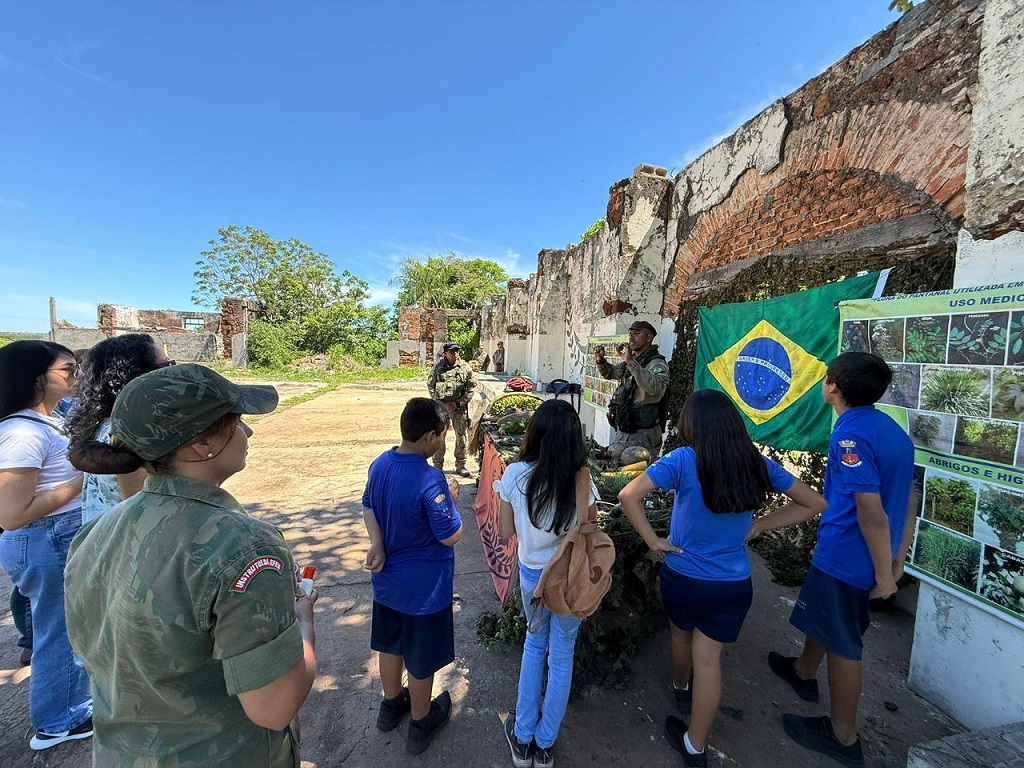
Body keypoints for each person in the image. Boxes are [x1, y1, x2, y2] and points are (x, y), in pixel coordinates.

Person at [64, 364, 318, 767]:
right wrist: (303, 624)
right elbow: (274, 707)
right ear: (202, 443)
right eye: (237, 422)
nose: (248, 432)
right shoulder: (242, 546)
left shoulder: (97, 531)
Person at [618, 389, 827, 768]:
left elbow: (628, 495)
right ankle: (695, 747)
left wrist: (652, 540)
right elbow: (815, 503)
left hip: (684, 577)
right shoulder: (756, 463)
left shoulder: (683, 459)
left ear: (692, 426)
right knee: (710, 663)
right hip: (734, 585)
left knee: (680, 637)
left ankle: (681, 688)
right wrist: (760, 525)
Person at [768, 352, 915, 768]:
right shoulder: (892, 430)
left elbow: (870, 512)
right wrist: (898, 558)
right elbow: (909, 498)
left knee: (844, 643)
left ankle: (842, 736)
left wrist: (885, 576)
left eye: (826, 378)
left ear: (833, 387)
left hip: (848, 556)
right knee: (828, 620)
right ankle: (803, 671)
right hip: (868, 553)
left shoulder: (849, 437)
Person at [0, 340, 93, 751]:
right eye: (68, 370)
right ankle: (58, 720)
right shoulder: (20, 432)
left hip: (55, 536)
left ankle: (70, 704)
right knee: (59, 631)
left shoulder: (48, 419)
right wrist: (82, 482)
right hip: (46, 537)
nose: (77, 376)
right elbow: (12, 514)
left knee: (67, 625)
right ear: (36, 377)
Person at [497, 398, 599, 768]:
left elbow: (504, 533)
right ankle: (544, 746)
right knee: (562, 656)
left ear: (534, 434)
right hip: (571, 580)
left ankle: (522, 738)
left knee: (534, 647)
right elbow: (592, 530)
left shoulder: (515, 475)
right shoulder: (582, 480)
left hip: (532, 579)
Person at [361, 397, 463, 755]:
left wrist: (377, 543)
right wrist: (451, 498)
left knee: (390, 645)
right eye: (443, 435)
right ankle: (421, 721)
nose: (443, 441)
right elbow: (450, 535)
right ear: (431, 436)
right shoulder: (430, 479)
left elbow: (368, 505)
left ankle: (391, 705)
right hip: (424, 592)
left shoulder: (381, 463)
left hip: (387, 584)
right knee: (420, 657)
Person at [65, 333, 173, 524]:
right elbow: (144, 510)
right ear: (140, 376)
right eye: (168, 365)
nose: (175, 373)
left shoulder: (104, 421)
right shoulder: (131, 433)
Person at [593, 319, 669, 464]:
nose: (631, 337)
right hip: (625, 428)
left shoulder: (656, 363)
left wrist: (630, 362)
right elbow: (612, 373)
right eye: (630, 334)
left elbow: (656, 388)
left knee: (636, 465)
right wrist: (601, 361)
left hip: (644, 432)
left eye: (637, 333)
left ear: (649, 337)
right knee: (614, 461)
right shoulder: (633, 360)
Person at [427, 342, 477, 477]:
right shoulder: (438, 367)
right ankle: (437, 465)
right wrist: (440, 403)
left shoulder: (465, 368)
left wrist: (458, 403)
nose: (455, 353)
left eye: (456, 351)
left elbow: (471, 388)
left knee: (461, 436)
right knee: (439, 435)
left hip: (459, 408)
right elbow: (431, 385)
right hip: (441, 408)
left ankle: (461, 465)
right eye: (452, 351)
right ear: (445, 354)